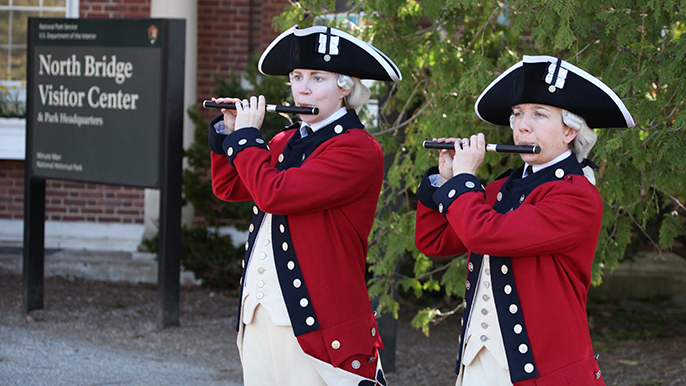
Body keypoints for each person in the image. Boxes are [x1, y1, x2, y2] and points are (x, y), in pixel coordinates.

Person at [414, 55, 635, 386]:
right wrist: (446, 180)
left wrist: (463, 181)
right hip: (477, 362)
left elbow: (484, 234)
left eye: (539, 114)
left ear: (570, 131)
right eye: (517, 114)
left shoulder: (576, 196)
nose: (522, 125)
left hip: (545, 369)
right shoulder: (503, 187)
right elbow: (433, 242)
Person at [207, 25, 402, 386]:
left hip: (318, 321)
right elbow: (229, 186)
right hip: (259, 313)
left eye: (318, 77)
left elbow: (274, 194)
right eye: (297, 77)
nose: (303, 88)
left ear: (345, 86)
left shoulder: (357, 149)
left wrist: (248, 140)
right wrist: (228, 133)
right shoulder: (284, 140)